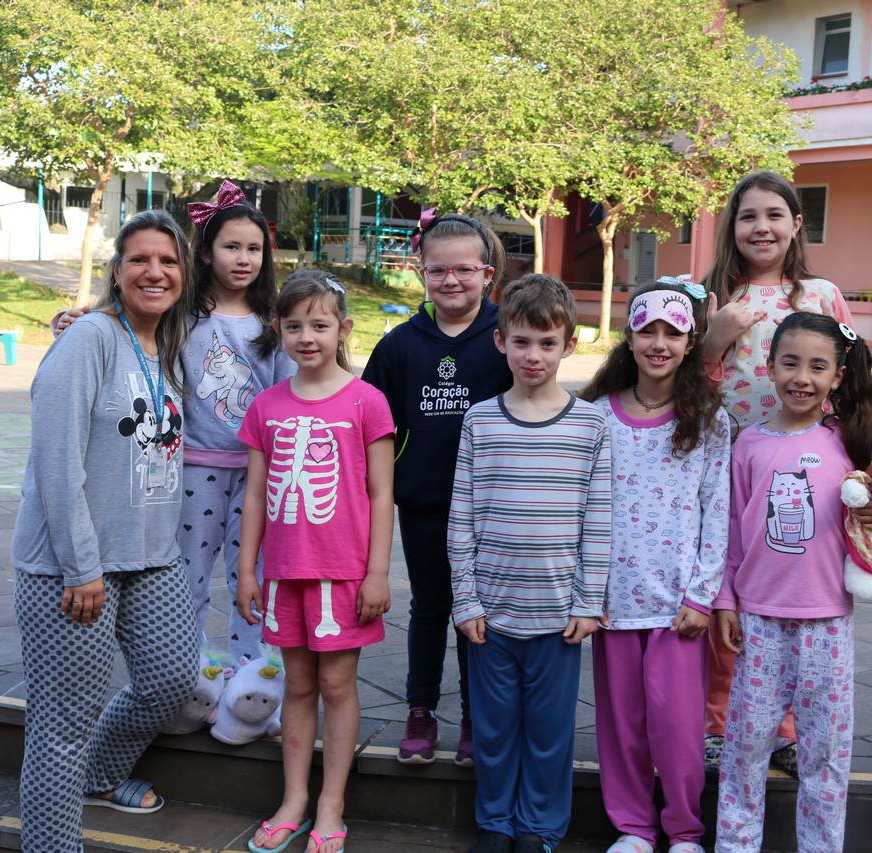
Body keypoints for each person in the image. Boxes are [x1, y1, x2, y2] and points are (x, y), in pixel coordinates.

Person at [11, 210, 199, 853]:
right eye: (140, 259)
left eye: (168, 261)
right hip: (73, 568)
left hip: (151, 557)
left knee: (171, 680)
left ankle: (98, 776)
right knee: (63, 725)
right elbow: (56, 462)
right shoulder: (88, 339)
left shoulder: (168, 343)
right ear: (117, 271)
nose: (155, 272)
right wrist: (80, 566)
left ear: (184, 273)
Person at [52, 180, 294, 665]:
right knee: (188, 575)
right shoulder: (182, 314)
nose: (243, 259)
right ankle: (188, 671)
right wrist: (70, 320)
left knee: (254, 576)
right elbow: (124, 323)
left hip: (257, 474)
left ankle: (254, 675)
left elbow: (289, 394)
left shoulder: (274, 322)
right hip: (193, 471)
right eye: (230, 247)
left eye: (254, 249)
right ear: (204, 253)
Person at [713, 312, 872, 853]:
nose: (801, 378)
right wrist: (725, 601)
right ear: (769, 366)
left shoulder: (852, 439)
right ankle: (735, 845)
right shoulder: (748, 445)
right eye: (790, 363)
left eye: (817, 367)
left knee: (825, 753)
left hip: (827, 622)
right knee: (745, 747)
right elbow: (732, 528)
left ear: (838, 376)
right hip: (758, 620)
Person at [697, 171, 856, 776]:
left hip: (805, 478)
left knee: (791, 605)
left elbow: (851, 384)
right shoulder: (710, 297)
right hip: (728, 471)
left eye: (774, 215)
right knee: (729, 598)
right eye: (748, 216)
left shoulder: (821, 295)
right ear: (731, 226)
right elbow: (678, 385)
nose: (761, 227)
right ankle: (720, 722)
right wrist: (713, 339)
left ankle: (785, 729)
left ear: (796, 224)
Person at [449, 274, 611, 853]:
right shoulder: (480, 420)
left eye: (547, 343)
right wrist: (465, 599)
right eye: (521, 341)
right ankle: (496, 822)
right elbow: (461, 517)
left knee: (549, 733)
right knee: (493, 731)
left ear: (569, 345)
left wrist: (589, 602)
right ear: (500, 341)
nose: (533, 355)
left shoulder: (592, 425)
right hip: (490, 615)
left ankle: (539, 826)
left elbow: (599, 520)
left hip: (559, 617)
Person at [235, 271, 395, 853]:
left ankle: (332, 803)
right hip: (284, 573)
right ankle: (295, 799)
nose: (307, 337)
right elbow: (256, 495)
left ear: (343, 330)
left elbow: (382, 493)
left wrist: (378, 573)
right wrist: (246, 570)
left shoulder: (367, 402)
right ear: (278, 330)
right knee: (298, 684)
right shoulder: (267, 405)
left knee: (336, 683)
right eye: (294, 325)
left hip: (345, 573)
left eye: (320, 325)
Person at [578, 277, 730, 853]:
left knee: (678, 728)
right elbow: (581, 507)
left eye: (673, 332)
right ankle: (634, 829)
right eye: (647, 331)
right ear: (630, 337)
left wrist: (702, 596)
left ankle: (684, 831)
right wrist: (586, 592)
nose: (659, 343)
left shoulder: (709, 420)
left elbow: (718, 514)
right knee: (621, 727)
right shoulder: (596, 415)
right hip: (613, 603)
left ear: (691, 342)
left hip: (677, 607)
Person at [362, 209, 512, 766]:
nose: (452, 281)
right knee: (429, 608)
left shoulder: (506, 337)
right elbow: (371, 426)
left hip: (491, 508)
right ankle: (420, 711)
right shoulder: (399, 346)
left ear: (487, 274)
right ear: (420, 272)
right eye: (438, 270)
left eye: (464, 270)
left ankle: (477, 716)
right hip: (424, 503)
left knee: (480, 614)